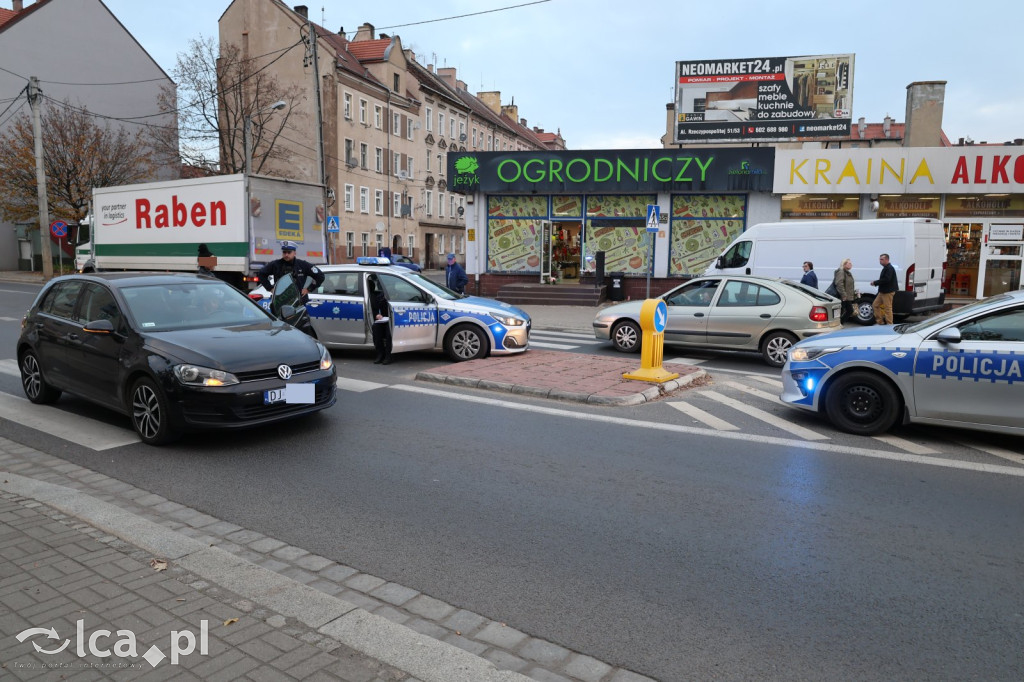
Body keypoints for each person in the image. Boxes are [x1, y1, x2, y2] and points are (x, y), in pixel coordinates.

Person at [257, 241, 325, 303]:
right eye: (284, 252)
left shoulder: (302, 265)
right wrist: (271, 288)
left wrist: (309, 289)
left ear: (294, 253)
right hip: (281, 301)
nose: (286, 255)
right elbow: (261, 274)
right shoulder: (275, 264)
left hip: (298, 301)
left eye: (289, 252)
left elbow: (320, 276)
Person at [368, 275, 392, 364]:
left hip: (393, 320)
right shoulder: (380, 296)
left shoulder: (397, 295)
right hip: (383, 319)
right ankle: (380, 354)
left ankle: (388, 355)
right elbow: (375, 309)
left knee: (389, 332)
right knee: (376, 327)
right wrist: (377, 315)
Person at [871, 253, 898, 325]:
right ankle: (880, 322)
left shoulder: (889, 268)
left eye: (882, 259)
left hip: (888, 292)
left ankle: (889, 324)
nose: (880, 261)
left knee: (887, 308)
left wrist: (875, 282)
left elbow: (886, 279)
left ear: (887, 260)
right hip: (883, 291)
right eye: (880, 259)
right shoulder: (886, 268)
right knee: (875, 305)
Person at [833, 258, 856, 322]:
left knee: (849, 310)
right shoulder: (841, 271)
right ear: (844, 264)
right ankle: (838, 323)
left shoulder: (847, 273)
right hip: (843, 296)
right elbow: (839, 284)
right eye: (849, 263)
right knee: (842, 311)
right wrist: (843, 295)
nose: (851, 265)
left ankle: (840, 323)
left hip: (846, 296)